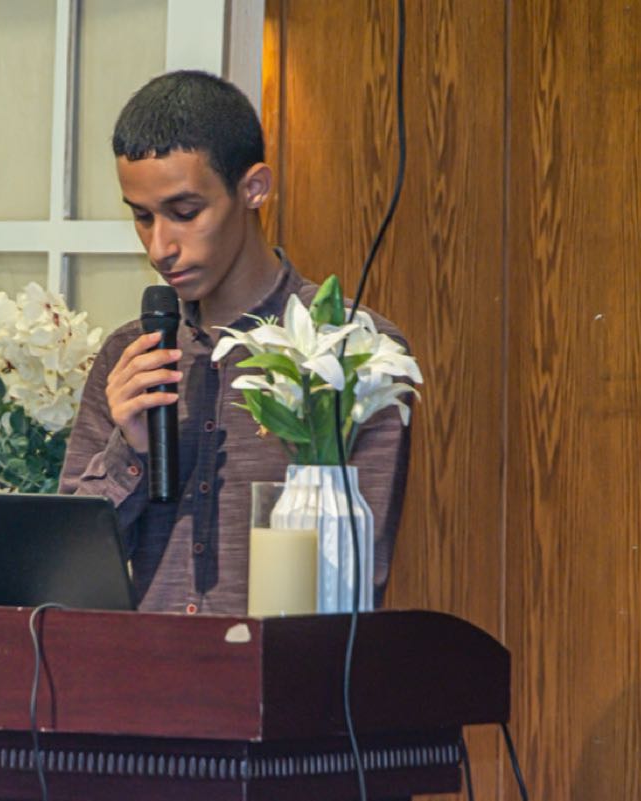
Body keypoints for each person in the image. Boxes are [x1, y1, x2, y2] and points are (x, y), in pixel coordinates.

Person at [59, 70, 411, 615]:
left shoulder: (350, 348)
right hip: (142, 663)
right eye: (142, 217)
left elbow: (356, 574)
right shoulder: (131, 354)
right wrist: (129, 449)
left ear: (254, 188)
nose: (159, 247)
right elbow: (66, 574)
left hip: (281, 662)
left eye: (184, 213)